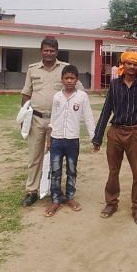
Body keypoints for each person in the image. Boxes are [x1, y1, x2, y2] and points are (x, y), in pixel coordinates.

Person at [92, 51, 137, 225]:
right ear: (123, 64)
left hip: (136, 133)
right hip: (116, 132)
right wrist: (98, 137)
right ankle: (111, 203)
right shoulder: (115, 85)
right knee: (113, 171)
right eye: (129, 63)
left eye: (135, 64)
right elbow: (107, 110)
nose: (132, 67)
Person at [20, 37, 83, 207]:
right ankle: (32, 191)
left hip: (58, 122)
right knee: (35, 156)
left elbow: (79, 91)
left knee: (57, 157)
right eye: (46, 50)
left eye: (52, 51)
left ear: (57, 52)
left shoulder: (65, 69)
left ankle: (55, 190)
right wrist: (24, 117)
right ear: (41, 51)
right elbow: (26, 94)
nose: (49, 53)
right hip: (36, 119)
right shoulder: (32, 69)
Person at [43, 65, 96, 218]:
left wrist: (94, 138)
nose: (69, 81)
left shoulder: (82, 97)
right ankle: (55, 200)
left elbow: (88, 117)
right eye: (66, 78)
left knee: (72, 170)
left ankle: (70, 198)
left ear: (76, 80)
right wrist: (49, 139)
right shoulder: (57, 97)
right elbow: (53, 119)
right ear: (62, 80)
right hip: (57, 140)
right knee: (55, 170)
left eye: (72, 78)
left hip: (73, 140)